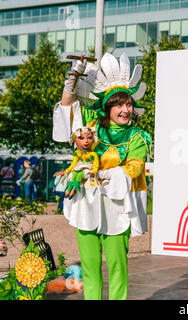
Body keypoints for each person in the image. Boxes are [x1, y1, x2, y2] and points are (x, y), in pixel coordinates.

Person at [52, 52, 152, 300]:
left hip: (117, 207)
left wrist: (96, 173)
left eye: (128, 104)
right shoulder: (92, 124)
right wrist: (71, 80)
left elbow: (133, 169)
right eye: (119, 104)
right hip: (86, 205)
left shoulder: (138, 136)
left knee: (118, 266)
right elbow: (68, 112)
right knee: (89, 266)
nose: (125, 109)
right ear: (108, 107)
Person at [55, 126, 99, 199]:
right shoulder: (77, 153)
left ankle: (73, 190)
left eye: (89, 137)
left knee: (80, 174)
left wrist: (94, 171)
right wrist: (66, 172)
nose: (86, 141)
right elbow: (73, 164)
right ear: (75, 139)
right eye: (81, 138)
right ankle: (69, 190)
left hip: (87, 170)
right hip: (78, 168)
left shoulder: (93, 154)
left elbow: (96, 164)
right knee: (74, 175)